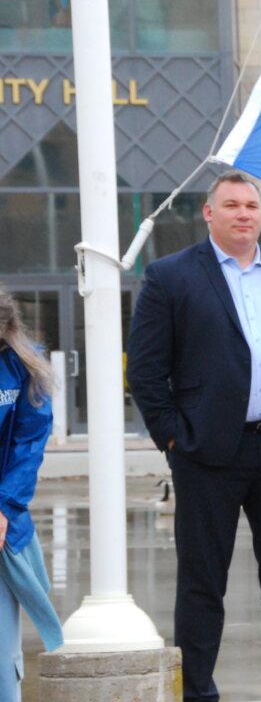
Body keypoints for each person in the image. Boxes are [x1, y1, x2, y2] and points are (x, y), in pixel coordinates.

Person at [126, 171, 261, 702]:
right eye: (233, 205)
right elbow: (147, 372)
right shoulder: (171, 277)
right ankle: (198, 693)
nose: (245, 213)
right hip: (208, 454)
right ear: (209, 213)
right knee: (203, 585)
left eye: (252, 206)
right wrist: (174, 438)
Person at [0, 288, 63, 700]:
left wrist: (5, 506)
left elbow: (29, 441)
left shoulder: (22, 365)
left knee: (2, 654)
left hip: (3, 524)